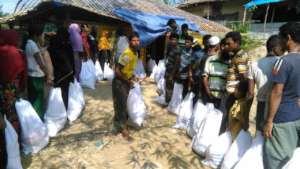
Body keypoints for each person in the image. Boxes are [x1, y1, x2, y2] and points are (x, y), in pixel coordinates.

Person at [263, 22, 300, 169]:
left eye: (281, 38)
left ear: (289, 38)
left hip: (283, 117)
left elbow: (277, 92)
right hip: (297, 114)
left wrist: (269, 121)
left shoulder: (283, 62)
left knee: (278, 158)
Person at [0, 30, 26, 168]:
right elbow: (22, 73)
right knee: (13, 118)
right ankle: (15, 144)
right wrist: (21, 88)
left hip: (2, 92)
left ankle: (5, 146)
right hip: (12, 91)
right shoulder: (17, 52)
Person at [248, 35, 284, 132]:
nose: (284, 50)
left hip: (261, 104)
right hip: (276, 105)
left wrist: (245, 112)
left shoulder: (254, 64)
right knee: (272, 134)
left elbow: (250, 93)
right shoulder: (281, 63)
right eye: (282, 47)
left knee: (259, 134)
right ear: (275, 48)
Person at [223, 31, 252, 134]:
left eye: (229, 43)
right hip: (232, 93)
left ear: (237, 42)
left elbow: (244, 78)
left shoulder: (240, 57)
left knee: (229, 119)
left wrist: (237, 92)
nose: (227, 46)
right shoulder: (236, 55)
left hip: (234, 95)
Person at [112, 32, 140, 140]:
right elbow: (117, 71)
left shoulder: (135, 53)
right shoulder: (127, 54)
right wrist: (128, 81)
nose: (136, 42)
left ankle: (120, 124)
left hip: (126, 81)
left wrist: (133, 76)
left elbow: (128, 69)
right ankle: (122, 128)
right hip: (120, 83)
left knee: (124, 104)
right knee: (121, 105)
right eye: (134, 40)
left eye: (137, 40)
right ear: (130, 42)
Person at [25, 24, 48, 119]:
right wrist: (48, 73)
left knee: (34, 99)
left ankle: (35, 122)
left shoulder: (28, 44)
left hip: (31, 75)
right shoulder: (33, 45)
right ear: (36, 35)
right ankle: (39, 122)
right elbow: (41, 63)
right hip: (37, 76)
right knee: (38, 101)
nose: (43, 36)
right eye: (42, 34)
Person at [48, 27, 74, 108]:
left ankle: (55, 111)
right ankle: (64, 111)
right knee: (65, 92)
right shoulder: (68, 44)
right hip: (66, 73)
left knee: (55, 93)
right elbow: (72, 60)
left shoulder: (52, 43)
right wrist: (73, 74)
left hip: (55, 72)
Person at [202, 36, 229, 108]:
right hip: (210, 94)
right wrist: (208, 92)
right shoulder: (210, 59)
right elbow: (205, 77)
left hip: (223, 97)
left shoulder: (230, 62)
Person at [165, 33, 181, 103]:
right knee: (167, 86)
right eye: (172, 40)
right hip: (168, 69)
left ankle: (169, 102)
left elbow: (177, 64)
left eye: (175, 40)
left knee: (170, 87)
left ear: (177, 40)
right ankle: (168, 101)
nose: (173, 41)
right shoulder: (171, 47)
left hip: (172, 71)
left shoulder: (178, 50)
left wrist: (172, 74)